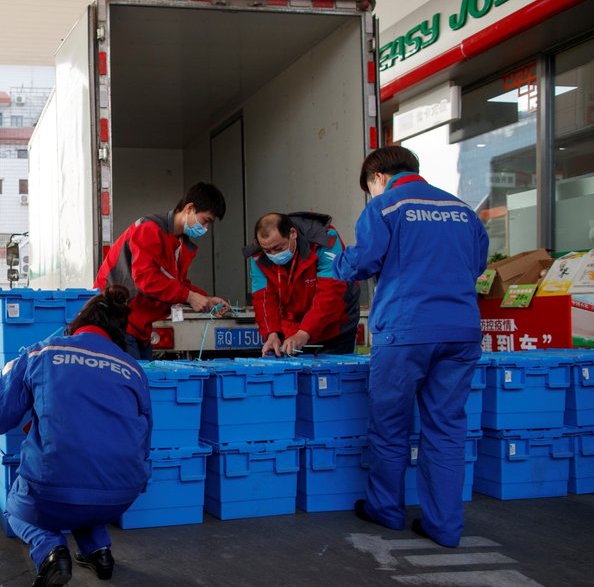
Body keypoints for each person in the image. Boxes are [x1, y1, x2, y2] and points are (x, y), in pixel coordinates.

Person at [331, 146, 488, 548]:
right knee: (447, 429)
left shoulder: (385, 207)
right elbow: (477, 264)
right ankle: (445, 526)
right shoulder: (463, 211)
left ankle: (386, 509)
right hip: (461, 331)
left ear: (378, 177)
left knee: (390, 426)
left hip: (405, 332)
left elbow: (358, 265)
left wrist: (337, 261)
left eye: (370, 186)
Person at [0, 285, 151, 587]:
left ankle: (52, 554)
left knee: (18, 505)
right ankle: (99, 551)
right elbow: (144, 436)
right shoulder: (132, 369)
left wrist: (12, 375)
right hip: (122, 494)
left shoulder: (43, 352)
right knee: (85, 490)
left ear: (77, 322)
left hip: (56, 489)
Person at [95, 182, 229, 360]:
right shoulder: (149, 229)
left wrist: (206, 299)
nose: (205, 228)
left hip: (140, 328)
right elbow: (146, 278)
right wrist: (189, 296)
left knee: (145, 382)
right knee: (133, 383)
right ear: (189, 208)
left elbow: (175, 283)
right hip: (116, 323)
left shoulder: (179, 242)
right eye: (206, 221)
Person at [244, 212, 361, 357]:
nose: (273, 255)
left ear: (292, 233)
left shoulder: (324, 239)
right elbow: (263, 298)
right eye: (268, 251)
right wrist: (271, 333)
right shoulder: (258, 254)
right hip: (293, 327)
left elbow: (331, 291)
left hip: (336, 323)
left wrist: (305, 332)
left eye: (278, 248)